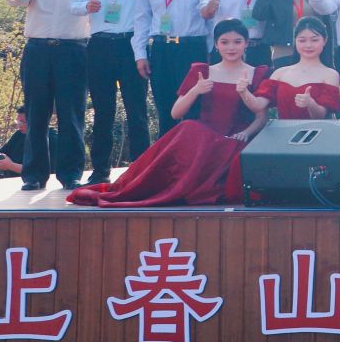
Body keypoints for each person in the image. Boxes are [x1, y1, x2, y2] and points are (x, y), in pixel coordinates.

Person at [69, 19, 270, 207]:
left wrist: (246, 132)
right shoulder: (203, 71)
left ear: (246, 43)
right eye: (224, 42)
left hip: (236, 138)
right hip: (205, 137)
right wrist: (196, 90)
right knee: (188, 127)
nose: (231, 47)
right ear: (216, 44)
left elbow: (262, 116)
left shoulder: (257, 73)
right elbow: (175, 113)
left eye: (237, 42)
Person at [77, 0, 153, 181]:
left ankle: (141, 170)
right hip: (100, 45)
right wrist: (86, 6)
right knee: (103, 111)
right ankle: (100, 171)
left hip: (132, 45)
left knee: (137, 111)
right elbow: (76, 5)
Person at [8, 0, 88, 190]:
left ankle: (71, 174)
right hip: (38, 52)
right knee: (35, 115)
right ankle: (34, 175)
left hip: (73, 52)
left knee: (71, 115)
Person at [130, 0, 211, 136]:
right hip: (161, 50)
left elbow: (209, 17)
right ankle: (167, 155)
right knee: (165, 110)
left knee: (194, 109)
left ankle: (192, 155)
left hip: (192, 49)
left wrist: (211, 54)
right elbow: (141, 19)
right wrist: (140, 55)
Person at [257, 16, 340, 129]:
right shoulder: (280, 73)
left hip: (316, 134)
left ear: (324, 41)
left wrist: (311, 104)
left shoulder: (331, 74)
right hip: (283, 134)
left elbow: (321, 115)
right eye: (302, 40)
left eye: (314, 40)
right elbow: (258, 105)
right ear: (295, 41)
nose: (308, 45)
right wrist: (244, 92)